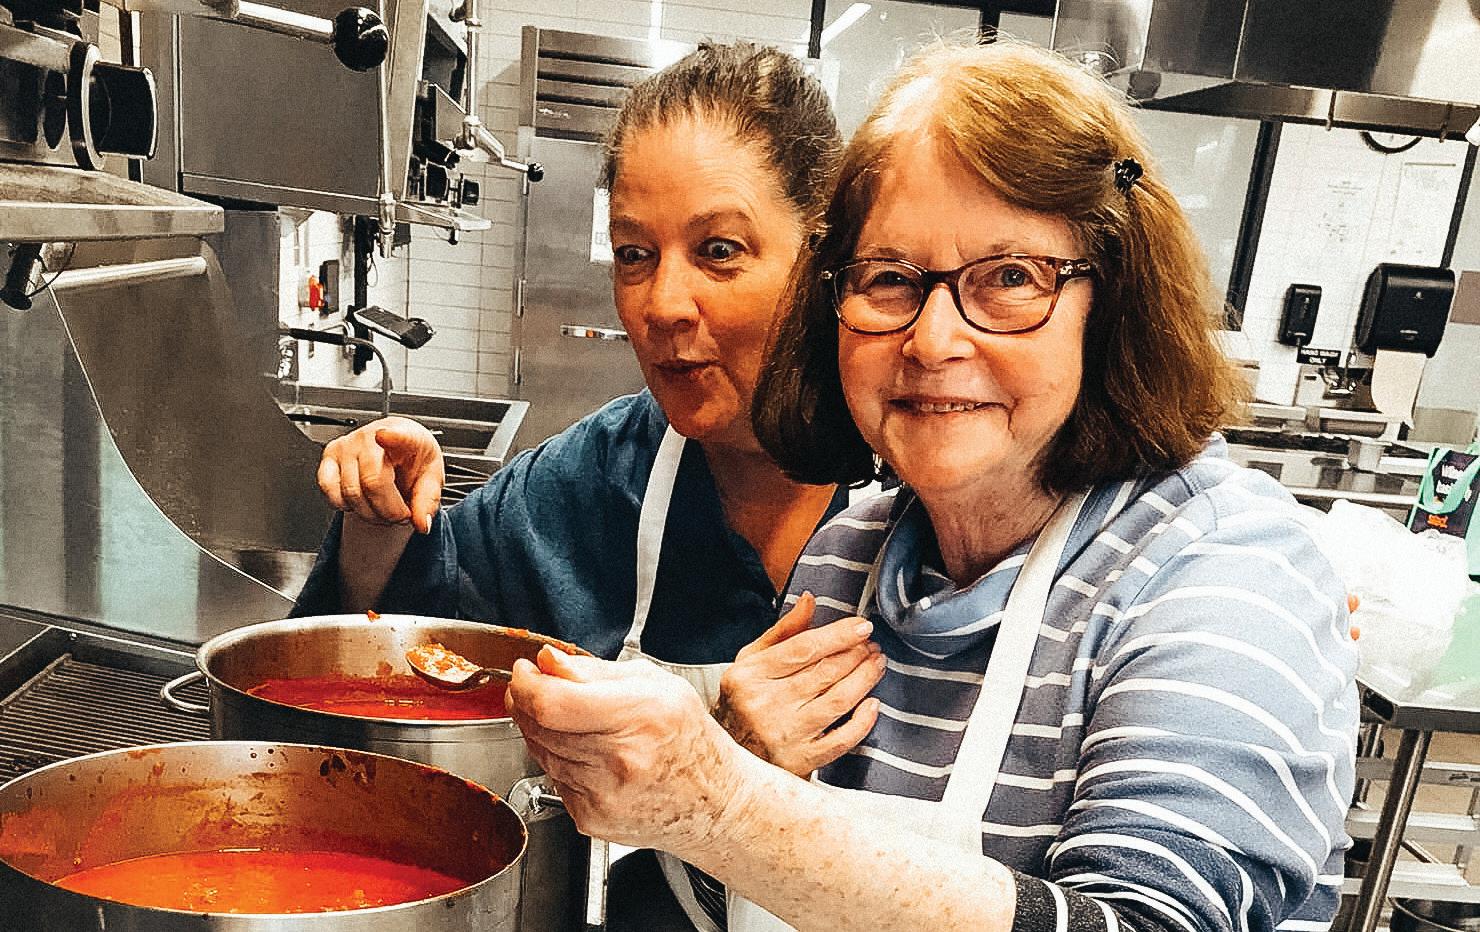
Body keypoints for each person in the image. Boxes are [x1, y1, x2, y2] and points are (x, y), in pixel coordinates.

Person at [505, 39, 1359, 932]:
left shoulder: (1221, 570)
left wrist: (726, 804)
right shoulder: (847, 562)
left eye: (1011, 278)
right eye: (890, 280)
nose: (933, 340)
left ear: (1111, 301)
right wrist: (744, 766)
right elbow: (754, 906)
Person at [297, 42, 881, 931]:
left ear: (819, 253)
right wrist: (381, 517)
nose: (663, 304)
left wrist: (729, 782)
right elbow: (418, 654)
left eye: (719, 251)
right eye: (634, 254)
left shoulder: (927, 490)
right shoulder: (594, 479)